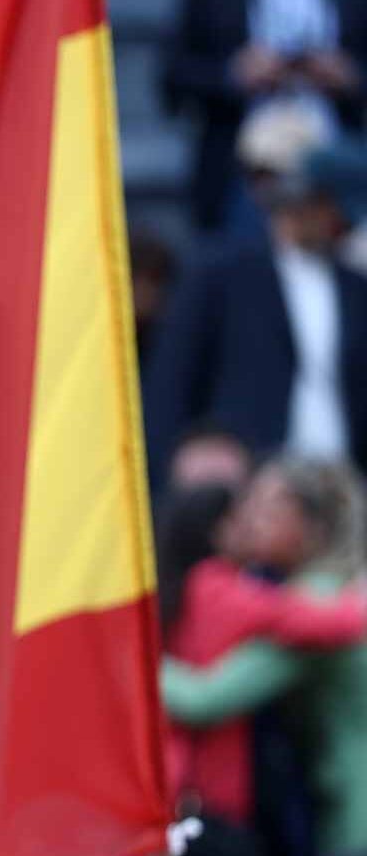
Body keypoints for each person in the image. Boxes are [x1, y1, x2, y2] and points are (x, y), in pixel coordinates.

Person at [163, 458, 367, 856]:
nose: (251, 519)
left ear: (311, 527)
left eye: (268, 507)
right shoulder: (333, 586)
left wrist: (133, 664)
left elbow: (205, 700)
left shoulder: (315, 601)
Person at [143, 128, 367, 489]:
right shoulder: (220, 273)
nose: (343, 227)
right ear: (307, 202)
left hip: (342, 483)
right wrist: (166, 476)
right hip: (246, 483)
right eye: (338, 213)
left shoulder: (354, 286)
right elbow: (172, 380)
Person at [163, 0, 367, 232]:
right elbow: (172, 79)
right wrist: (234, 74)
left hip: (337, 158)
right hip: (244, 163)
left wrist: (347, 75)